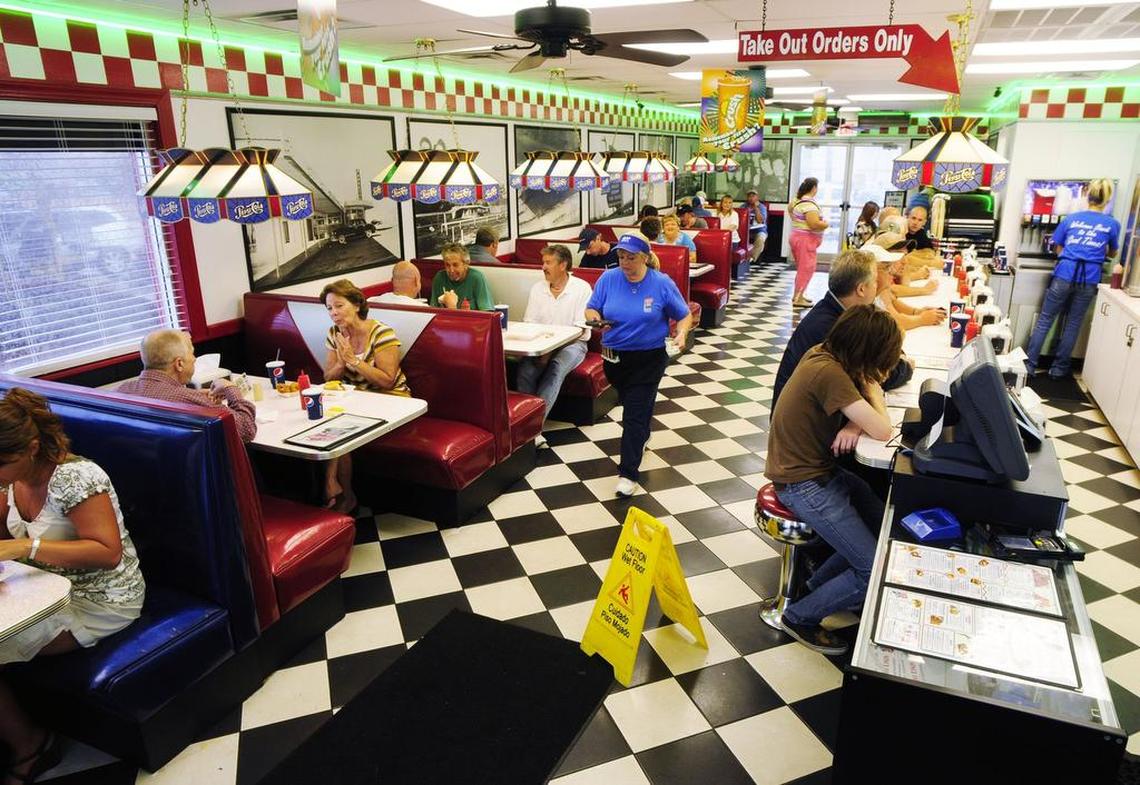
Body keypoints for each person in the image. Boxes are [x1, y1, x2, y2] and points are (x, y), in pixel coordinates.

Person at [0, 388, 146, 782]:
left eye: (2, 462)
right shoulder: (10, 481)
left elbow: (107, 552)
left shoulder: (78, 477)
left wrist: (24, 546)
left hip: (103, 596)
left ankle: (32, 745)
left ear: (32, 447)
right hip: (43, 585)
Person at [765, 306, 901, 655]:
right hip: (802, 483)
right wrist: (870, 393)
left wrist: (856, 422)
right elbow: (883, 427)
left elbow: (868, 417)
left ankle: (818, 587)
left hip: (818, 471)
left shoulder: (825, 353)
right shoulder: (830, 372)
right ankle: (799, 617)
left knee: (880, 526)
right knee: (873, 568)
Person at [585, 234, 692, 497]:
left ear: (644, 257)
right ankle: (643, 433)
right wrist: (596, 320)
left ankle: (627, 474)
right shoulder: (608, 278)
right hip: (614, 358)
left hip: (649, 358)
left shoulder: (661, 283)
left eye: (631, 257)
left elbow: (684, 315)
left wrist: (681, 333)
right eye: (621, 256)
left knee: (632, 414)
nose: (624, 262)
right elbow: (591, 308)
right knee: (635, 408)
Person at [772, 250, 912, 409]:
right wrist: (905, 368)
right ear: (861, 289)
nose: (877, 286)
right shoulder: (834, 327)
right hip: (804, 424)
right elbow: (870, 378)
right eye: (874, 281)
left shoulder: (834, 311)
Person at [321, 279, 411, 512]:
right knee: (338, 423)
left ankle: (335, 488)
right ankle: (344, 494)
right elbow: (328, 378)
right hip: (357, 400)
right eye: (329, 308)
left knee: (342, 426)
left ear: (357, 305)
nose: (333, 313)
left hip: (393, 398)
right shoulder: (334, 334)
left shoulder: (382, 332)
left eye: (339, 306)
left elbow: (387, 379)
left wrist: (354, 361)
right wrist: (341, 363)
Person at [1026, 178, 1120, 380]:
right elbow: (1112, 253)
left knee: (1045, 320)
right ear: (1107, 198)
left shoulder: (1071, 219)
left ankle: (1030, 366)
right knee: (1073, 323)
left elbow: (1058, 245)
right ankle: (1059, 369)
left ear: (1088, 195)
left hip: (1065, 272)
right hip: (1089, 277)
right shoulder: (1112, 224)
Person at [118, 329, 257, 443]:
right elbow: (247, 429)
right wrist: (230, 388)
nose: (194, 358)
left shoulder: (121, 391)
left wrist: (197, 396)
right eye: (192, 353)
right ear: (179, 364)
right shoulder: (190, 400)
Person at [516, 244, 593, 445]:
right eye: (543, 262)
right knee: (525, 369)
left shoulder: (582, 288)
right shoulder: (537, 288)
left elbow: (580, 328)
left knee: (555, 368)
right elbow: (530, 322)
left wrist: (551, 350)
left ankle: (531, 430)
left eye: (548, 262)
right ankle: (524, 423)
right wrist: (544, 347)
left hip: (574, 344)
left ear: (563, 265)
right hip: (542, 343)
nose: (543, 267)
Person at [788, 177, 829, 309]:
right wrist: (825, 224)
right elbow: (814, 224)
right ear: (813, 188)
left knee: (802, 268)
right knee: (806, 269)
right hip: (805, 240)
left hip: (797, 237)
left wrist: (798, 222)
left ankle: (799, 294)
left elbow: (790, 211)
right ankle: (798, 297)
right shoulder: (808, 204)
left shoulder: (796, 200)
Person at [431, 243, 494, 310]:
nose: (451, 270)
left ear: (466, 264)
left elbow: (487, 312)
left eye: (455, 265)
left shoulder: (476, 278)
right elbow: (433, 309)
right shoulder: (439, 278)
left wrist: (452, 307)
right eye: (447, 265)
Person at [745, 190, 768, 261]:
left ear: (757, 197)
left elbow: (760, 221)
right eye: (749, 196)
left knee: (760, 239)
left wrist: (756, 208)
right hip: (746, 230)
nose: (751, 198)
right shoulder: (743, 206)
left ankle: (751, 258)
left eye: (753, 196)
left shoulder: (762, 207)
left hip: (759, 230)